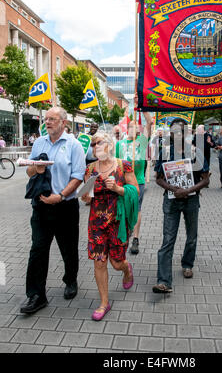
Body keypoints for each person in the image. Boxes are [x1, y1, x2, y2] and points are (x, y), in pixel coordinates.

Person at [20, 107, 86, 315]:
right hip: (40, 205)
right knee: (38, 249)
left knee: (68, 248)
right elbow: (30, 170)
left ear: (63, 123)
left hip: (64, 205)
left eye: (52, 119)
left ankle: (70, 279)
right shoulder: (39, 142)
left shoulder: (74, 145)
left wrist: (61, 195)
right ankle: (36, 295)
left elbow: (78, 176)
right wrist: (36, 168)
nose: (47, 122)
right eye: (46, 119)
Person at [81, 132, 139, 320]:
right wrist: (85, 197)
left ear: (109, 145)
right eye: (93, 144)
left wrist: (117, 188)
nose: (95, 146)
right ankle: (104, 303)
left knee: (116, 262)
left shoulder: (123, 165)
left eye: (99, 143)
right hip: (96, 223)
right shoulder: (90, 169)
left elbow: (135, 193)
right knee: (99, 262)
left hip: (117, 221)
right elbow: (87, 196)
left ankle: (126, 268)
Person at [152, 119, 209, 293]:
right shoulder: (165, 152)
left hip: (191, 200)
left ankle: (187, 264)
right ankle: (164, 281)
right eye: (174, 131)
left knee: (191, 236)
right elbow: (158, 178)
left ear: (187, 133)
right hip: (171, 200)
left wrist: (189, 190)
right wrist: (172, 188)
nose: (177, 134)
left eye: (181, 131)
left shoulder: (195, 152)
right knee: (168, 239)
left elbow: (206, 180)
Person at [116, 104, 152, 255]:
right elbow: (116, 163)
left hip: (138, 181)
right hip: (123, 182)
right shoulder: (120, 144)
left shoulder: (142, 142)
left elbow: (149, 122)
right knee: (123, 208)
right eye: (130, 126)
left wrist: (142, 106)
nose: (133, 129)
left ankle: (135, 239)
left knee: (136, 208)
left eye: (136, 127)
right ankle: (125, 233)